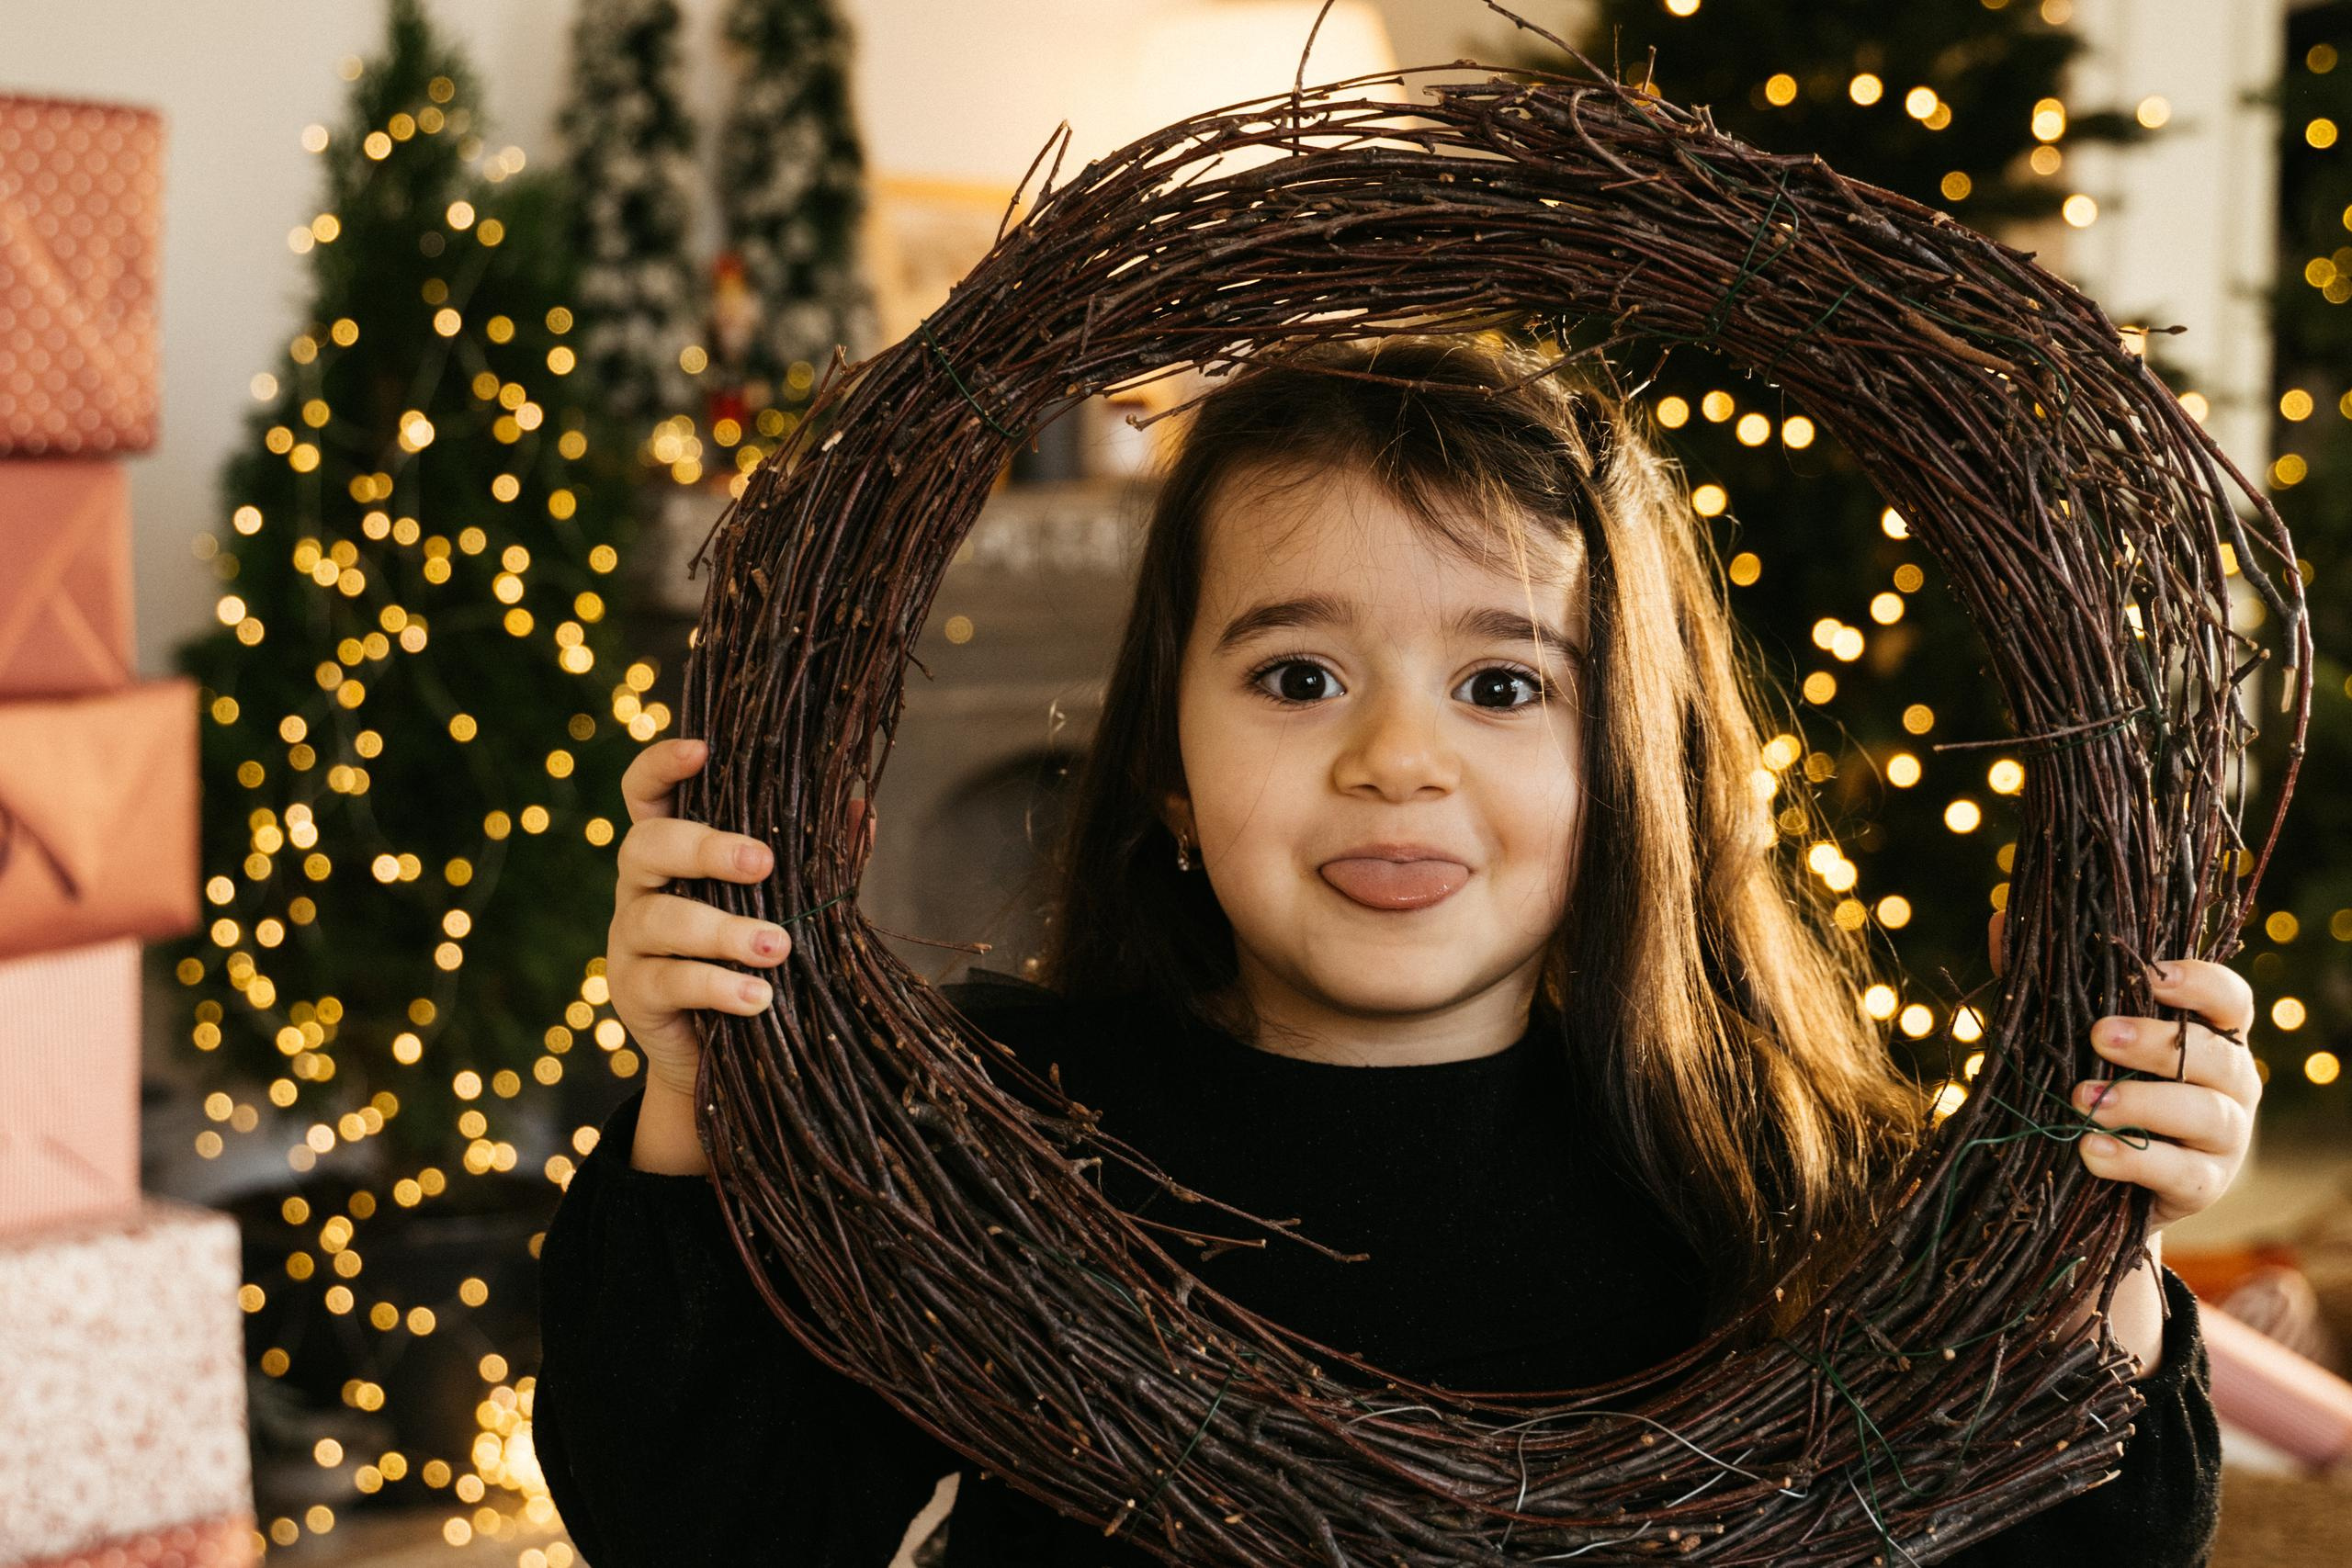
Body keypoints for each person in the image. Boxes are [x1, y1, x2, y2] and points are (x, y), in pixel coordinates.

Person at [534, 333, 2247, 1565]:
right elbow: (698, 1525)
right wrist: (703, 1107)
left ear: (1626, 779)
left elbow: (2086, 1541)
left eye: (1503, 686)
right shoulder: (1003, 1138)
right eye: (1298, 677)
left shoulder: (1778, 1169)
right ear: (1169, 778)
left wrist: (2098, 1233)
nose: (1396, 762)